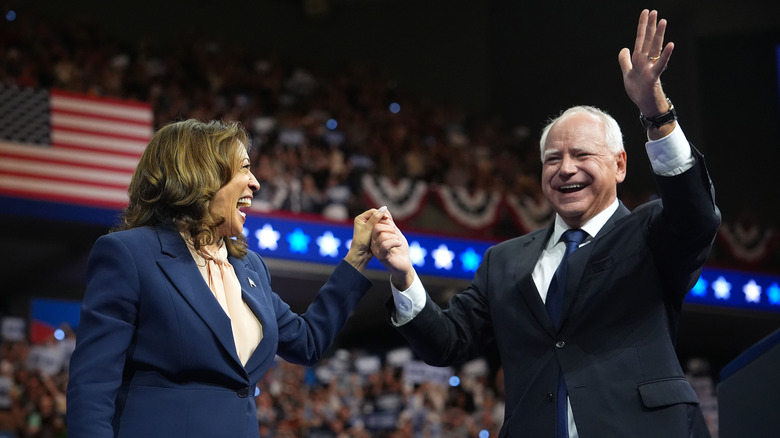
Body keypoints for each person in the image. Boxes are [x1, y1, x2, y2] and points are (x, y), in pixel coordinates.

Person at [371, 9, 719, 438]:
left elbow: (697, 215)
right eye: (552, 159)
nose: (565, 169)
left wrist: (656, 113)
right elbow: (447, 343)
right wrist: (404, 276)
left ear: (620, 164)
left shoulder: (651, 233)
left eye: (581, 155)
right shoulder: (504, 260)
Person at [66, 119, 386, 438]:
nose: (255, 183)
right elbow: (92, 388)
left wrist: (357, 255)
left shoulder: (250, 268)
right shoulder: (130, 254)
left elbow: (307, 342)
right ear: (201, 174)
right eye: (243, 168)